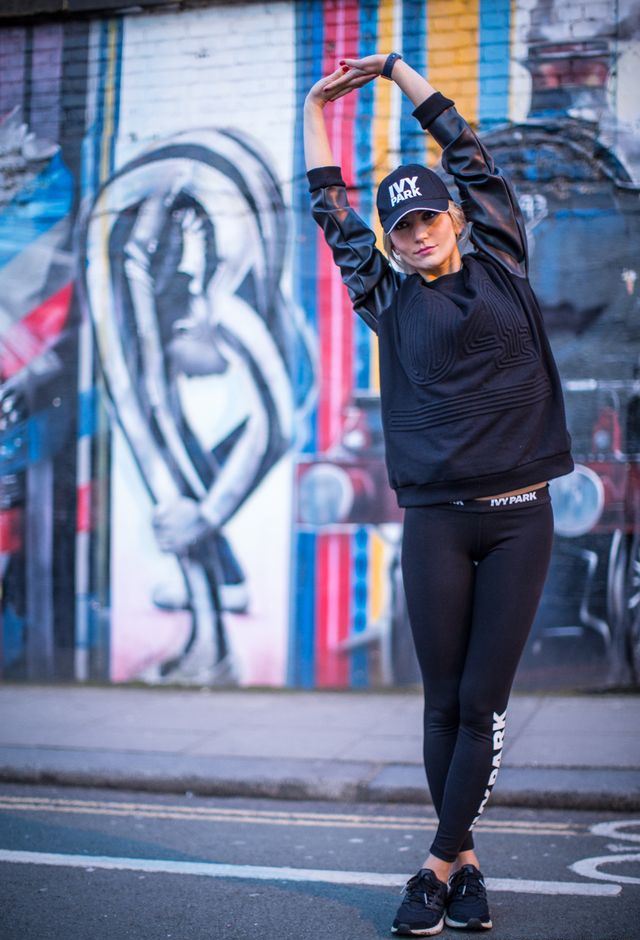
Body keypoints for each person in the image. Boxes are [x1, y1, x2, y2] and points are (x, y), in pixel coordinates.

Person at [303, 53, 574, 936]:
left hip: (521, 519)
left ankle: (434, 864)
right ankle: (467, 869)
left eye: (427, 216)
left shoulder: (503, 258)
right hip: (435, 525)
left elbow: (465, 147)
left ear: (455, 217)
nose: (417, 233)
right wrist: (313, 109)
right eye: (402, 227)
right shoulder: (385, 298)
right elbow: (330, 207)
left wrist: (394, 69)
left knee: (482, 706)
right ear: (390, 243)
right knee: (443, 703)